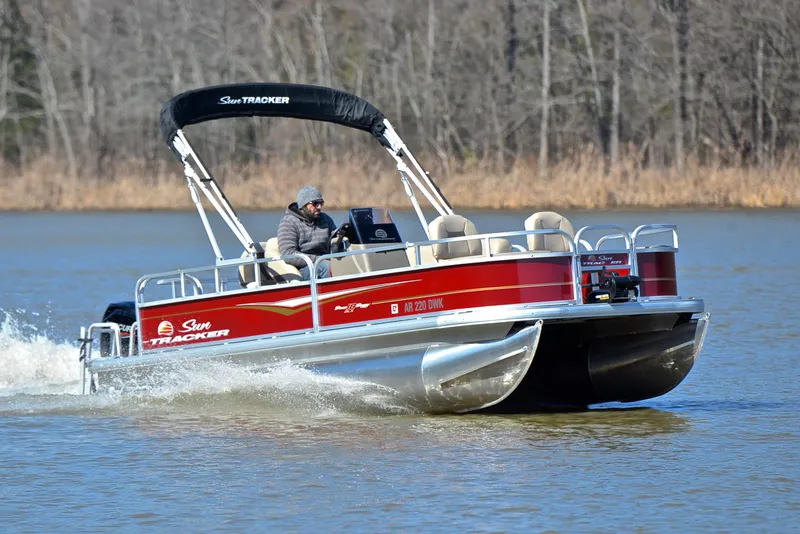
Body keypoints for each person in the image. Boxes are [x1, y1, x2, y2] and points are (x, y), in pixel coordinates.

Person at [277, 185, 338, 280]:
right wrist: (319, 260)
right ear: (303, 205)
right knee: (330, 268)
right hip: (303, 268)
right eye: (315, 203)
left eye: (321, 203)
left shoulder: (325, 219)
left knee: (347, 263)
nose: (319, 207)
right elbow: (288, 254)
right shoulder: (289, 222)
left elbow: (336, 239)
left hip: (326, 260)